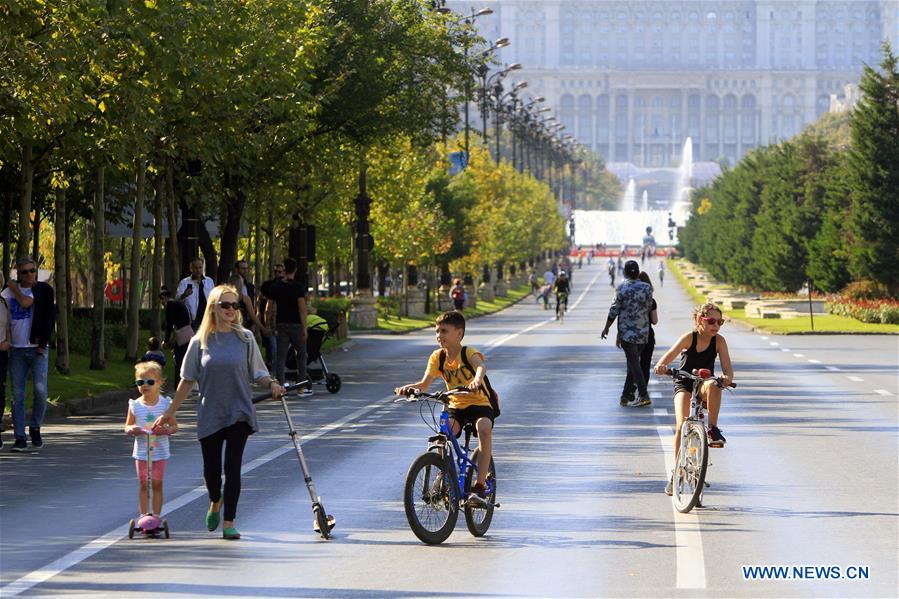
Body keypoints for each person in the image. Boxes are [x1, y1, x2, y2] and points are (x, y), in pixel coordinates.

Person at [155, 285, 284, 540]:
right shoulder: (199, 341)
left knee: (232, 467)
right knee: (211, 472)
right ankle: (215, 499)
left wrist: (272, 384)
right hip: (210, 413)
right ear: (213, 307)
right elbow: (187, 380)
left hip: (239, 412)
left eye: (235, 305)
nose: (231, 310)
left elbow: (258, 372)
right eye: (225, 305)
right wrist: (170, 413)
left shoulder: (245, 338)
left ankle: (229, 522)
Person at [394, 311, 497, 502]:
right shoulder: (437, 357)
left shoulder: (467, 353)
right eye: (437, 331)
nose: (439, 335)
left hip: (479, 403)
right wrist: (409, 388)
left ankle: (480, 485)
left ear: (459, 334)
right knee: (444, 433)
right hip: (455, 405)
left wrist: (476, 379)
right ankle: (444, 472)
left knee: (483, 428)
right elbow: (425, 384)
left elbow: (481, 366)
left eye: (444, 331)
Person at [654, 302, 734, 495]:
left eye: (720, 322)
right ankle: (676, 473)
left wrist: (726, 378)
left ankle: (712, 429)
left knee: (715, 385)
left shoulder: (720, 342)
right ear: (700, 320)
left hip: (704, 383)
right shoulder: (689, 337)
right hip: (685, 383)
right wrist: (661, 366)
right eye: (711, 321)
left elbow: (728, 370)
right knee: (682, 425)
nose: (716, 325)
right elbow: (667, 357)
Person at [2, 256, 55, 452]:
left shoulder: (42, 290)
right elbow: (4, 316)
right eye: (24, 272)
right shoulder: (7, 293)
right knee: (17, 394)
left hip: (37, 348)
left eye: (32, 270)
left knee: (41, 391)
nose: (30, 275)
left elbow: (28, 304)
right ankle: (20, 437)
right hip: (17, 349)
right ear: (18, 273)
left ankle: (35, 427)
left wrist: (12, 285)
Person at [125, 361, 177, 518]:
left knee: (156, 483)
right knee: (143, 484)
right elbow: (127, 425)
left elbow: (175, 426)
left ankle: (156, 516)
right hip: (141, 453)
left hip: (159, 452)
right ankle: (143, 515)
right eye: (140, 382)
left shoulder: (165, 404)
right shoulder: (135, 405)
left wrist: (166, 430)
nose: (145, 385)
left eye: (150, 382)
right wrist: (131, 429)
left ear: (159, 383)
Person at [601, 260, 653, 408]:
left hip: (627, 333)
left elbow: (614, 310)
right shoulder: (647, 288)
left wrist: (607, 328)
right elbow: (649, 306)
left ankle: (643, 394)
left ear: (624, 272)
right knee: (633, 363)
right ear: (637, 272)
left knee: (634, 363)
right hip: (643, 332)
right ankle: (624, 396)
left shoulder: (621, 288)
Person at [267, 258, 312, 395]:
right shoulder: (298, 287)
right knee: (302, 356)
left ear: (284, 270)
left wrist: (268, 323)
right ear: (296, 269)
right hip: (297, 325)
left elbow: (269, 306)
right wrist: (305, 327)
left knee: (281, 356)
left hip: (281, 324)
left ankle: (280, 386)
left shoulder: (276, 287)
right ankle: (301, 386)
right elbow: (302, 308)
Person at [160, 286, 192, 385]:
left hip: (182, 335)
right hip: (187, 332)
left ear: (164, 298)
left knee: (179, 360)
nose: (162, 303)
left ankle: (179, 384)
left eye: (161, 300)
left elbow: (169, 325)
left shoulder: (170, 305)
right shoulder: (178, 303)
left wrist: (166, 341)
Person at [257, 264, 285, 368]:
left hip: (282, 320)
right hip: (270, 320)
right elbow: (261, 301)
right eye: (276, 272)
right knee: (270, 346)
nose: (278, 274)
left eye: (280, 272)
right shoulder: (268, 285)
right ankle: (272, 366)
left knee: (278, 347)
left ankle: (277, 368)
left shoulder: (286, 285)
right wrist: (259, 314)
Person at [176, 259, 215, 331]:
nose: (198, 270)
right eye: (196, 268)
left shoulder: (209, 281)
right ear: (191, 269)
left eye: (200, 267)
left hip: (208, 317)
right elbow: (177, 301)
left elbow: (213, 298)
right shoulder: (184, 282)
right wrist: (184, 295)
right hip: (193, 319)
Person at [636, 272, 659, 389]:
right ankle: (643, 390)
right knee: (645, 363)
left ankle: (632, 387)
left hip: (633, 336)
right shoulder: (651, 301)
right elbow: (654, 321)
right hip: (648, 335)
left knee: (634, 363)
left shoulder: (631, 301)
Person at [230, 260, 266, 333]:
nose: (245, 270)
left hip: (246, 323)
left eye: (246, 268)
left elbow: (252, 309)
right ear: (237, 269)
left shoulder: (250, 287)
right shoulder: (227, 291)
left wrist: (253, 323)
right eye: (242, 268)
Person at [0, 271, 9, 449]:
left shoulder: (3, 302)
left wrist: (7, 341)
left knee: (0, 390)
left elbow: (9, 325)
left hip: (1, 351)